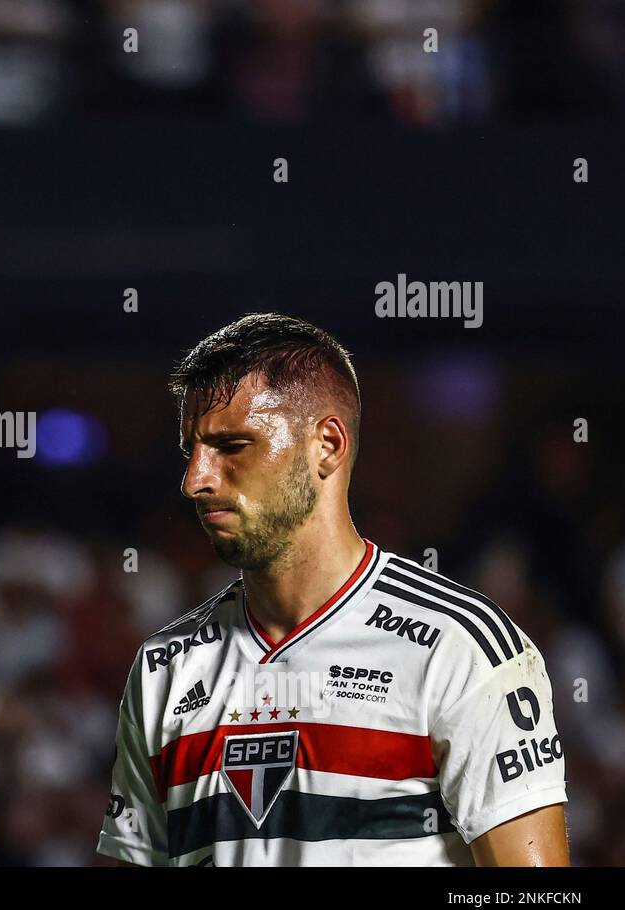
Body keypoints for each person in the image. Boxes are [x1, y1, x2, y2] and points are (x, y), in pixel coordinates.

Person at [97, 313, 568, 866]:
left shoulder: (458, 648)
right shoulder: (163, 668)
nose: (195, 478)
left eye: (231, 446)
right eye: (191, 450)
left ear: (327, 444)